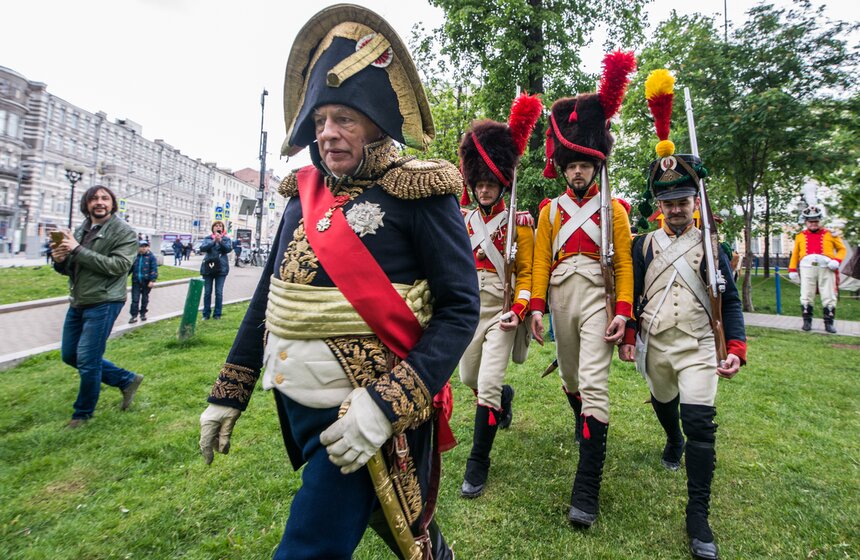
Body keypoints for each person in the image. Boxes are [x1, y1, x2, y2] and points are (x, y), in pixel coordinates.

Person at [197, 5, 478, 558]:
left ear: (377, 123)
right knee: (401, 524)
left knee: (309, 545)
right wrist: (230, 392)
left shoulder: (420, 191)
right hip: (298, 411)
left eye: (344, 119)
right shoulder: (299, 197)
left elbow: (459, 309)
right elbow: (268, 303)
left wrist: (385, 404)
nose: (327, 134)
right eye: (321, 120)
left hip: (365, 410)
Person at [619, 68, 747, 560]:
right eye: (668, 201)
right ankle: (668, 436)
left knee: (702, 424)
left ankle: (698, 517)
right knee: (664, 401)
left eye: (683, 200)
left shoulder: (712, 248)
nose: (675, 208)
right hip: (656, 345)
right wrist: (628, 329)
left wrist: (734, 346)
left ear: (696, 202)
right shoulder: (641, 245)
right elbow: (628, 295)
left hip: (697, 346)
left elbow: (729, 303)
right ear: (658, 205)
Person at [529, 51, 637, 528]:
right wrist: (535, 307)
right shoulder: (551, 212)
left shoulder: (614, 210)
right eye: (569, 165)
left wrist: (624, 309)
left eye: (583, 165)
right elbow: (536, 263)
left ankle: (586, 488)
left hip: (597, 297)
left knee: (595, 384)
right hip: (559, 299)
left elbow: (626, 264)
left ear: (595, 164)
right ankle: (580, 412)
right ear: (563, 165)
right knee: (572, 379)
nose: (576, 172)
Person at [456, 93, 541, 499]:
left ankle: (478, 465)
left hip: (504, 310)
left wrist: (520, 307)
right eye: (480, 183)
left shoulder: (519, 222)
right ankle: (503, 400)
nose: (485, 189)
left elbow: (526, 273)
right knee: (469, 377)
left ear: (501, 183)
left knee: (486, 383)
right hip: (470, 309)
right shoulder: (462, 220)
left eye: (491, 183)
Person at [50, 185, 144, 428]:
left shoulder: (123, 232)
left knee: (88, 359)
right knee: (70, 354)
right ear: (86, 204)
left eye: (104, 198)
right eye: (94, 199)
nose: (99, 202)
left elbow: (118, 266)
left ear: (112, 203)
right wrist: (60, 260)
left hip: (105, 300)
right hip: (80, 300)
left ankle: (82, 414)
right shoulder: (83, 229)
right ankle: (126, 379)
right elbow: (72, 266)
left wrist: (77, 249)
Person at [788, 205, 846, 333]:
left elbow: (842, 249)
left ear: (820, 221)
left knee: (828, 294)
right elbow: (796, 253)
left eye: (816, 221)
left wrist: (836, 261)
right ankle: (807, 322)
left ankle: (829, 323)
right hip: (807, 268)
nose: (813, 224)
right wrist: (792, 269)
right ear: (806, 222)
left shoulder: (831, 234)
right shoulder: (800, 236)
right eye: (810, 221)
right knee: (806, 294)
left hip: (826, 268)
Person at [199, 220, 232, 320]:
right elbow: (202, 248)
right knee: (207, 292)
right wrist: (214, 241)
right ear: (213, 228)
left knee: (219, 292)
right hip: (208, 268)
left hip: (221, 269)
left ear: (222, 229)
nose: (218, 227)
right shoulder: (208, 238)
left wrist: (220, 241)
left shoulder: (226, 239)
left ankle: (217, 314)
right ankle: (206, 314)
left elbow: (228, 249)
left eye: (220, 226)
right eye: (216, 226)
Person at [129, 239, 158, 323]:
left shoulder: (151, 257)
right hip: (136, 281)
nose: (143, 248)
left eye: (145, 246)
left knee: (145, 298)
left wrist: (152, 280)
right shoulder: (135, 256)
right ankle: (133, 316)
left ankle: (143, 314)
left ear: (148, 247)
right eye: (141, 246)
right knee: (135, 299)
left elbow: (154, 269)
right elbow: (130, 268)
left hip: (146, 281)